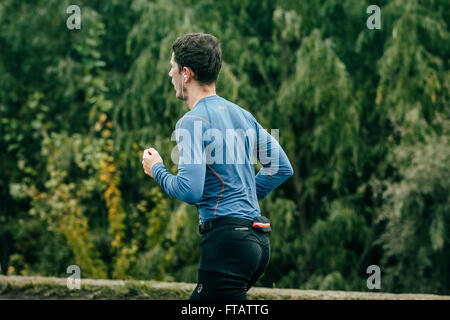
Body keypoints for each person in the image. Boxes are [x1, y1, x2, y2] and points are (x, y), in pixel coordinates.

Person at [141, 33, 293, 300]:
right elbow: (280, 167)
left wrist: (157, 170)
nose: (169, 74)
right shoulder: (243, 116)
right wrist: (243, 195)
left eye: (172, 67)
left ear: (186, 73)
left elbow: (189, 190)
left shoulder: (192, 121)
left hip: (228, 243)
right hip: (257, 241)